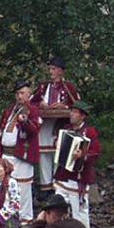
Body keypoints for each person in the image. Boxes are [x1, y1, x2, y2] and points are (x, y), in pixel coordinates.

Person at [0, 80, 41, 222]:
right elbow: (1, 127)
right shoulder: (10, 109)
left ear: (29, 94)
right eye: (17, 93)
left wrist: (25, 122)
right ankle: (9, 215)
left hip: (22, 155)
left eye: (22, 93)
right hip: (6, 154)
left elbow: (35, 130)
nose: (19, 96)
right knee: (6, 185)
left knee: (23, 187)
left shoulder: (33, 110)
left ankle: (25, 218)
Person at [31, 57, 80, 198]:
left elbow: (77, 105)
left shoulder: (69, 87)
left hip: (61, 126)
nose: (51, 72)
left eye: (54, 69)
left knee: (59, 155)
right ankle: (46, 187)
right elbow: (32, 102)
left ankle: (58, 184)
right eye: (50, 69)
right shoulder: (43, 87)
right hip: (45, 125)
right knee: (44, 154)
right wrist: (41, 104)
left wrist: (64, 106)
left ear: (61, 71)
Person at [52, 101, 100, 228]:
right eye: (71, 111)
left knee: (78, 210)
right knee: (58, 206)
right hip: (63, 175)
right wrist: (57, 143)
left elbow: (95, 152)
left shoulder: (90, 132)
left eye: (74, 112)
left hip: (79, 177)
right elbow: (57, 145)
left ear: (82, 116)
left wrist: (83, 155)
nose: (71, 114)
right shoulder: (66, 129)